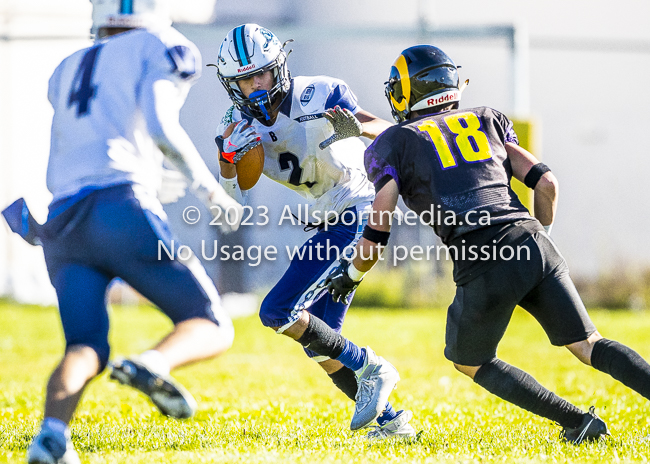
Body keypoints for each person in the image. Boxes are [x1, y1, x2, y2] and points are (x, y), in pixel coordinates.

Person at [325, 44, 650, 444]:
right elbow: (546, 182)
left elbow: (380, 220)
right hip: (530, 240)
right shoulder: (487, 120)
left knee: (470, 360)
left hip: (481, 258)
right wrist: (540, 231)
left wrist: (353, 273)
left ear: (408, 91)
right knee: (589, 344)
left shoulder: (393, 143)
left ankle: (575, 420)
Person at [2, 1, 244, 462]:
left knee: (85, 345)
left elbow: (90, 144)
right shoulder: (159, 43)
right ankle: (153, 364)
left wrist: (149, 175)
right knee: (211, 324)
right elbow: (158, 124)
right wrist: (210, 192)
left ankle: (51, 435)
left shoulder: (67, 65)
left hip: (64, 219)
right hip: (119, 208)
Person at [210, 23, 415, 439]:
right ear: (232, 85)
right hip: (328, 216)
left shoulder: (317, 92)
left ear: (279, 67)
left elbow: (386, 131)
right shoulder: (236, 122)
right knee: (319, 339)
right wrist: (228, 159)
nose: (255, 86)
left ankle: (372, 366)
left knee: (276, 310)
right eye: (244, 79)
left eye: (261, 74)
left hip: (358, 209)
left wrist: (355, 128)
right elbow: (237, 193)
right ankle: (393, 423)